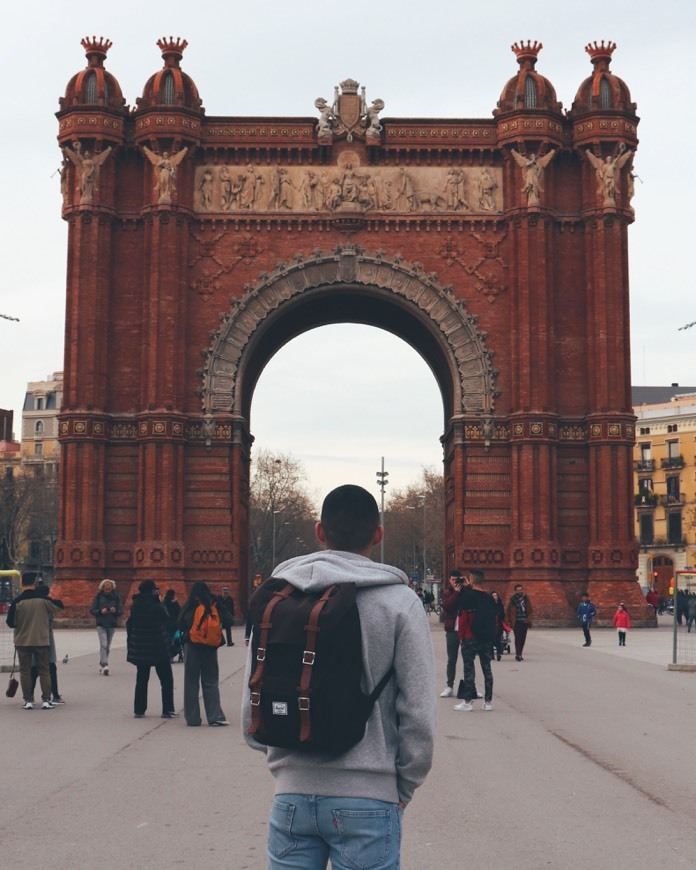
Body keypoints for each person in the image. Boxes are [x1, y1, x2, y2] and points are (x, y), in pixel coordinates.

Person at [242, 484, 436, 869]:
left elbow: (253, 700)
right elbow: (418, 711)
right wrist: (404, 784)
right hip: (369, 798)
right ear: (378, 533)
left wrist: (286, 764)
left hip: (291, 797)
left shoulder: (278, 597)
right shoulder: (400, 603)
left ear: (319, 531)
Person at [179, 581, 232, 726]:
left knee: (191, 683)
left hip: (192, 646)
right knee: (211, 682)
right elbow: (229, 620)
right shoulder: (215, 603)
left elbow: (179, 623)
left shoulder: (191, 604)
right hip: (210, 648)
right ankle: (215, 716)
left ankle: (192, 719)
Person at [6, 572, 61, 709]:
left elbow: (10, 623)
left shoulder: (17, 601)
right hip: (41, 640)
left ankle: (28, 700)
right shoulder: (43, 601)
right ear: (35, 583)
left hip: (22, 641)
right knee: (44, 671)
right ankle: (46, 700)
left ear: (22, 583)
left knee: (25, 671)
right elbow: (59, 606)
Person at [126, 580, 176, 718]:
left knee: (141, 679)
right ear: (152, 590)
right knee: (166, 680)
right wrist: (159, 602)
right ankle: (167, 710)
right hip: (158, 646)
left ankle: (139, 710)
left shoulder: (135, 605)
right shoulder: (156, 606)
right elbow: (167, 619)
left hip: (141, 648)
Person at [454, 569, 496, 711]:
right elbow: (494, 618)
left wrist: (461, 636)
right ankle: (488, 702)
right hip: (485, 638)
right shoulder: (489, 597)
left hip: (469, 637)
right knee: (487, 668)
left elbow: (463, 618)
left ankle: (468, 701)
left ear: (471, 579)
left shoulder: (467, 597)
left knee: (469, 669)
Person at [30, 584, 65, 703]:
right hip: (46, 638)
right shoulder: (47, 604)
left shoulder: (31, 602)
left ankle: (29, 696)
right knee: (50, 668)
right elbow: (60, 605)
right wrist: (48, 599)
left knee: (34, 669)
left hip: (32, 639)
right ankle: (54, 695)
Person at [90, 578, 123, 675]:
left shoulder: (116, 596)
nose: (107, 591)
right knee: (103, 644)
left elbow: (120, 611)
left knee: (107, 646)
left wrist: (115, 611)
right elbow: (92, 610)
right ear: (103, 588)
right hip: (101, 624)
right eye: (106, 589)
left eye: (109, 589)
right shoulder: (98, 596)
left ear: (112, 588)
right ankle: (105, 664)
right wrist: (100, 611)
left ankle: (102, 664)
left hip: (111, 624)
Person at [440, 569, 464, 697]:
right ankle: (449, 686)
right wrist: (456, 593)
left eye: (457, 580)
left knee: (468, 659)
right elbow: (447, 607)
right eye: (453, 580)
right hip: (452, 630)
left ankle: (470, 686)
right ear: (449, 580)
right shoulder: (447, 593)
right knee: (452, 659)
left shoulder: (466, 591)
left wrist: (468, 587)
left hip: (465, 631)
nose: (455, 582)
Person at [506, 583, 533, 661]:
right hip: (516, 622)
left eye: (520, 590)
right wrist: (508, 621)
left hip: (524, 622)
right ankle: (518, 654)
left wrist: (528, 620)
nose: (519, 591)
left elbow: (530, 610)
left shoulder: (526, 598)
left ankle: (520, 653)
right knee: (517, 638)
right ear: (515, 591)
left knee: (522, 638)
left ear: (522, 590)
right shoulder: (513, 599)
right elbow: (508, 610)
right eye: (518, 590)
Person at [162, 589, 183, 662]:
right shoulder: (175, 603)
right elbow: (179, 613)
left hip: (165, 625)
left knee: (166, 641)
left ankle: (168, 656)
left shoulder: (163, 603)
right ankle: (171, 656)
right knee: (172, 640)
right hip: (173, 625)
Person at [490, 590, 506, 661]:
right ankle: (491, 654)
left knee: (498, 639)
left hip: (499, 624)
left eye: (496, 596)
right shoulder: (489, 605)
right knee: (491, 640)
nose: (495, 597)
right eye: (493, 596)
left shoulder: (500, 604)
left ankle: (499, 653)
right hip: (491, 624)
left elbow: (503, 615)